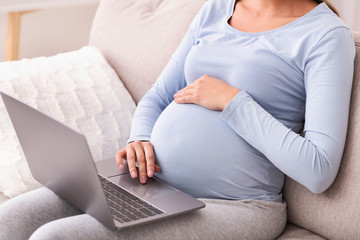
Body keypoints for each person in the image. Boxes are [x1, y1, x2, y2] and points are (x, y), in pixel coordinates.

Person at [0, 0, 355, 239]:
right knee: (9, 220)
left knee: (54, 237)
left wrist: (232, 101)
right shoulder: (217, 8)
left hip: (236, 207)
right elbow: (157, 95)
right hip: (148, 184)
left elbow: (319, 170)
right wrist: (139, 139)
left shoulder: (325, 35)